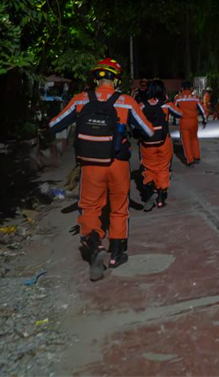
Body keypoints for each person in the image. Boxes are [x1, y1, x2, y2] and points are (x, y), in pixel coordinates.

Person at [49, 58, 154, 281]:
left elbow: (54, 125)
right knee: (119, 207)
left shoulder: (80, 99)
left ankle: (94, 244)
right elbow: (149, 131)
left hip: (90, 164)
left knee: (89, 207)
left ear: (96, 79)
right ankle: (116, 254)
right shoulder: (126, 101)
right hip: (118, 163)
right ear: (116, 80)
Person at [138, 79, 181, 211]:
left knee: (149, 167)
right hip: (163, 141)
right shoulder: (166, 105)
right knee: (163, 168)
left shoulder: (141, 105)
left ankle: (150, 189)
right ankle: (161, 198)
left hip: (147, 143)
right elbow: (180, 114)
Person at [174, 81, 206, 166]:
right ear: (191, 88)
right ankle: (197, 156)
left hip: (184, 121)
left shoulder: (178, 98)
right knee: (194, 138)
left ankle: (190, 160)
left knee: (186, 141)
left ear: (182, 88)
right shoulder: (195, 98)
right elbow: (202, 110)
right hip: (193, 121)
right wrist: (204, 120)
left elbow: (174, 110)